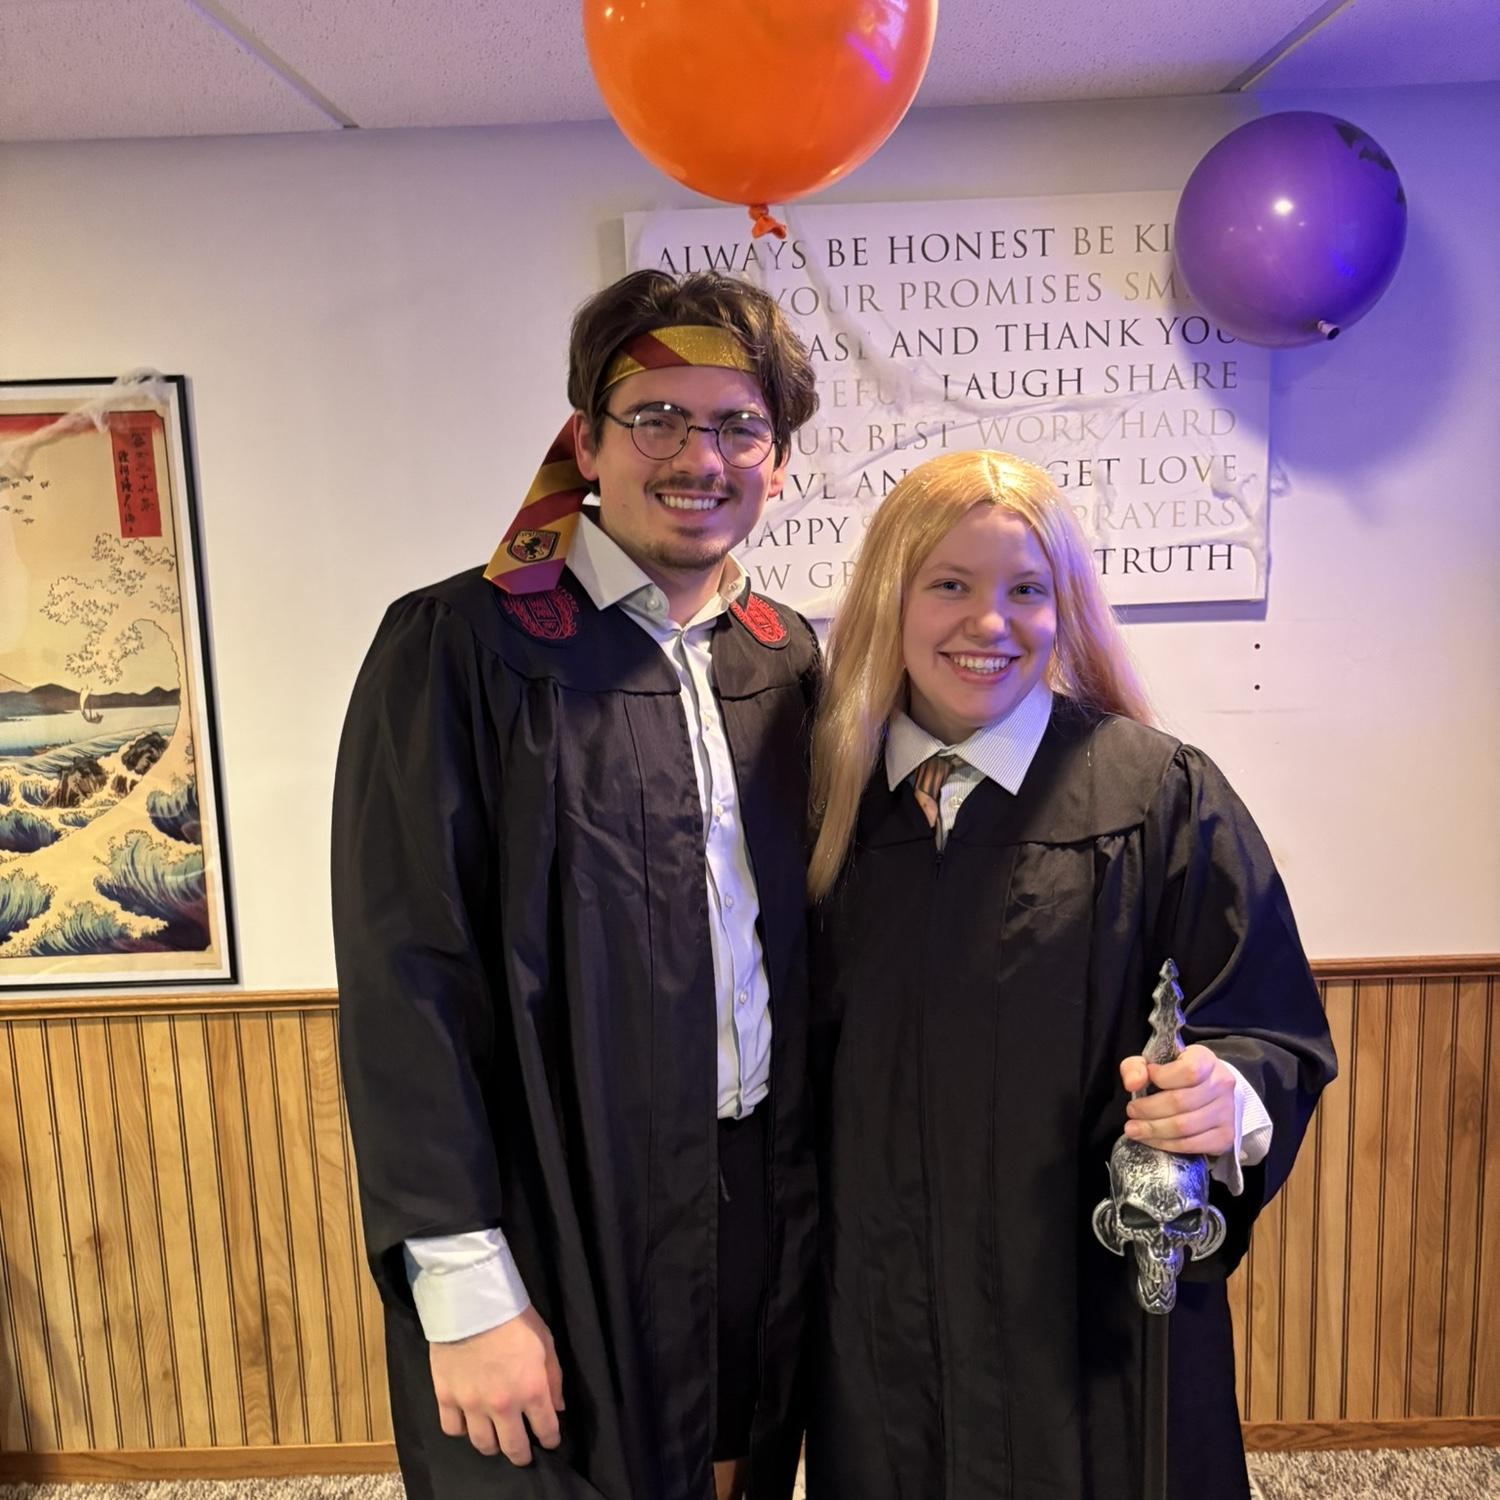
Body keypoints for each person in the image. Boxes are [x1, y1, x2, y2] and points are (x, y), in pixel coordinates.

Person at [332, 269, 821, 1500]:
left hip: (756, 1189)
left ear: (776, 462)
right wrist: (461, 1283)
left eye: (738, 426)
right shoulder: (465, 646)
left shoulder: (785, 659)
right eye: (658, 417)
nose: (698, 457)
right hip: (555, 1200)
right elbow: (409, 979)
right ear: (586, 442)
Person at [802, 449, 1337, 1499]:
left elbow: (1265, 1019)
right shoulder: (826, 806)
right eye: (948, 583)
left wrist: (1228, 1097)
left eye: (1026, 590)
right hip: (883, 1316)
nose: (988, 622)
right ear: (890, 597)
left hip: (1090, 1317)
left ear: (1066, 607)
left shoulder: (1154, 793)